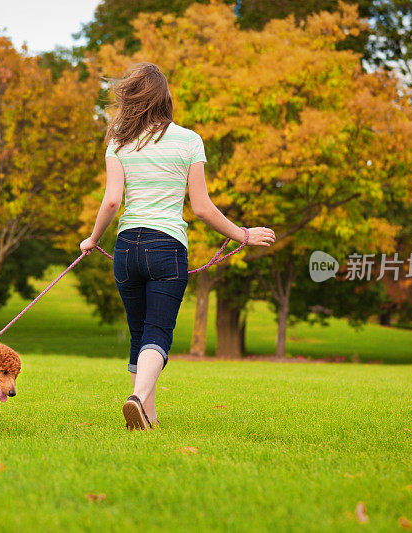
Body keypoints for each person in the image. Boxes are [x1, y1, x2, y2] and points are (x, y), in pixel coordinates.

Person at [80, 62, 276, 430]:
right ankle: (138, 400)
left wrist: (92, 240)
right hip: (167, 247)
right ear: (164, 99)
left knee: (139, 333)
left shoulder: (119, 142)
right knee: (157, 333)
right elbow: (201, 207)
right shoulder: (189, 140)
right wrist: (242, 234)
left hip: (126, 248)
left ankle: (146, 416)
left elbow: (111, 202)